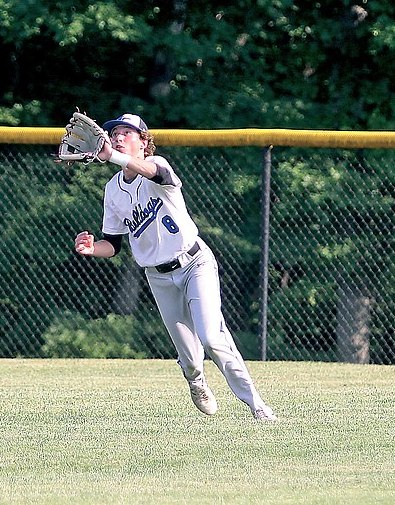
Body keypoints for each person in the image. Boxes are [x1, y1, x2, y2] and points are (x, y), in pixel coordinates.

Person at [73, 113, 277, 421]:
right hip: (159, 277)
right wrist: (91, 249)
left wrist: (112, 156)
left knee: (211, 337)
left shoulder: (160, 165)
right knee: (192, 359)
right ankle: (196, 380)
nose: (118, 136)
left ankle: (257, 405)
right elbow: (112, 244)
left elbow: (153, 173)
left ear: (144, 142)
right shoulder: (113, 190)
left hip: (195, 263)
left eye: (128, 132)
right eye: (115, 132)